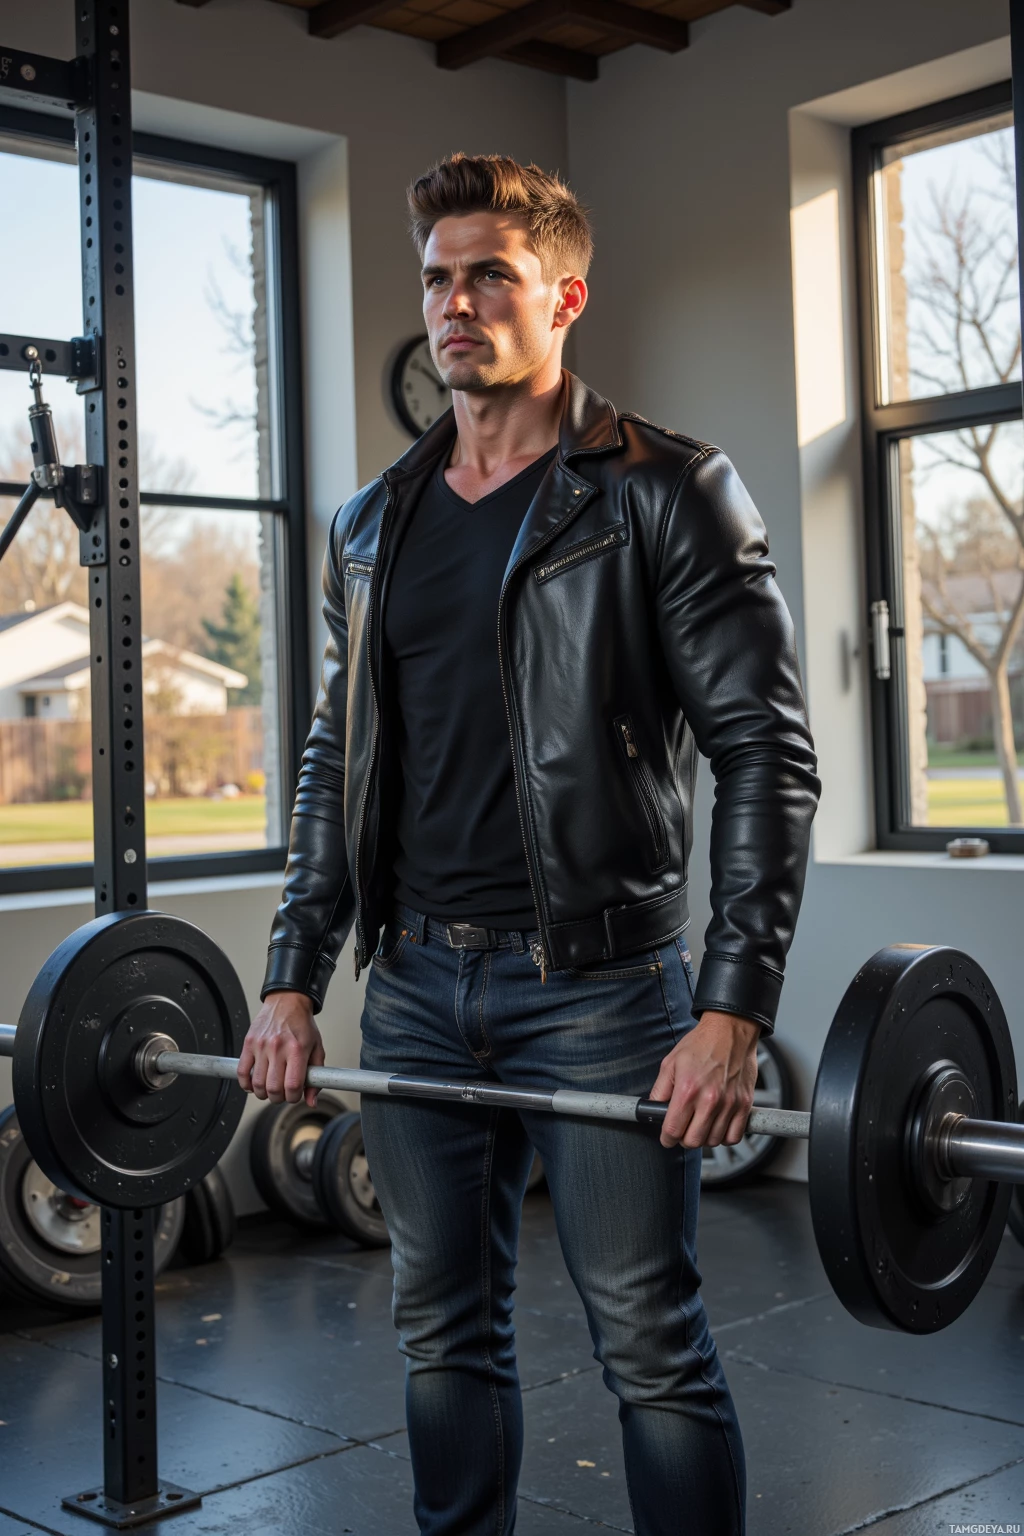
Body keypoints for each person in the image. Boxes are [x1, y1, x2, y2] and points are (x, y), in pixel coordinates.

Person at [238, 154, 820, 1536]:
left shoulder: (667, 490)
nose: (456, 301)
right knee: (442, 1334)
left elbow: (766, 752)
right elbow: (336, 758)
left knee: (651, 1344)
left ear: (565, 297)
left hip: (604, 991)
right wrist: (292, 973)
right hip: (415, 984)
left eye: (490, 274)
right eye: (437, 278)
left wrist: (733, 1007)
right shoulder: (371, 524)